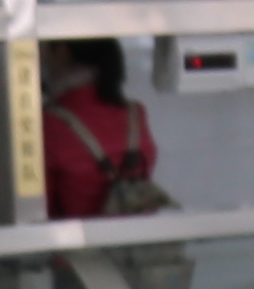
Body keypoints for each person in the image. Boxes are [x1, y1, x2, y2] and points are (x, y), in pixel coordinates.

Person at [40, 35, 167, 220]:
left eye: (43, 49)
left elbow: (40, 208)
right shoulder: (135, 113)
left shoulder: (50, 123)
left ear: (62, 51)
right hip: (136, 234)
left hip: (78, 235)